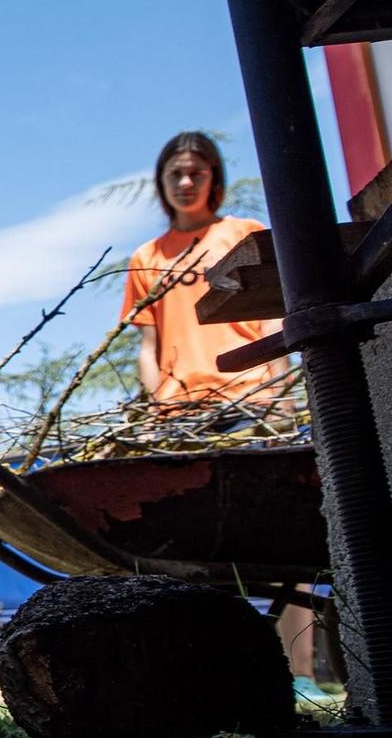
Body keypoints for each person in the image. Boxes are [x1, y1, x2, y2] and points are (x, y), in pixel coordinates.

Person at [121, 130, 330, 705]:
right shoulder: (146, 259)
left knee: (284, 541)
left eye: (197, 171)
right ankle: (212, 678)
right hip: (182, 418)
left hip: (251, 405)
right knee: (195, 549)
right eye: (175, 173)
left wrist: (282, 396)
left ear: (213, 176)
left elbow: (271, 320)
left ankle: (301, 676)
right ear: (162, 182)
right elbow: (148, 345)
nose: (186, 182)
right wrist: (157, 408)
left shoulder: (242, 235)